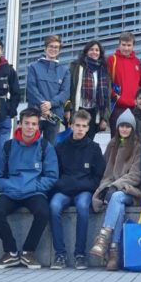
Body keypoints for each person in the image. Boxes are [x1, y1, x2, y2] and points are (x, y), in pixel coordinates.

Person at [0, 107, 58, 269]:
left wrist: (31, 187)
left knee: (43, 212)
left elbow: (51, 176)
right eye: (27, 123)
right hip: (12, 191)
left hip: (34, 192)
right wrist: (12, 188)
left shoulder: (45, 147)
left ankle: (28, 252)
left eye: (34, 124)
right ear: (19, 124)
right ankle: (11, 252)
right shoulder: (7, 146)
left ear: (38, 126)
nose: (30, 127)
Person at [49, 109, 105, 270]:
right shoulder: (60, 147)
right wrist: (65, 185)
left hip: (84, 191)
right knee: (53, 207)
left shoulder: (94, 148)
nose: (80, 129)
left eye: (84, 126)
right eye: (77, 125)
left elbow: (98, 176)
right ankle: (60, 254)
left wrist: (81, 186)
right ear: (71, 126)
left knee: (82, 207)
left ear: (88, 128)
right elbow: (54, 174)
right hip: (64, 189)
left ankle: (80, 254)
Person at [90, 109, 141, 271]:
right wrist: (106, 186)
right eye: (122, 126)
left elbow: (135, 175)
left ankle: (103, 238)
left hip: (131, 190)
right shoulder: (112, 145)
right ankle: (114, 252)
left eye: (128, 126)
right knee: (117, 202)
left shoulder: (137, 146)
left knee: (119, 196)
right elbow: (106, 172)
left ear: (132, 128)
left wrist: (116, 185)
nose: (124, 129)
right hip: (115, 192)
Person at [26, 34, 71, 143]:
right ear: (45, 48)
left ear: (59, 50)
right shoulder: (33, 67)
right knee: (30, 145)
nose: (53, 49)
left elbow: (65, 93)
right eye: (51, 46)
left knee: (50, 149)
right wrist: (43, 106)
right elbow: (32, 89)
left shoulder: (65, 70)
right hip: (35, 114)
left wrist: (50, 104)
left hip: (54, 116)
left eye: (56, 47)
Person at [69, 40, 111, 138]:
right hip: (78, 108)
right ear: (86, 51)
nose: (94, 52)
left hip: (94, 111)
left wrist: (104, 118)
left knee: (89, 141)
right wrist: (69, 111)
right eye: (91, 49)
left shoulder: (103, 69)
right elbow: (70, 89)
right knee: (76, 139)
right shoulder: (76, 66)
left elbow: (107, 96)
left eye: (97, 50)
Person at [107, 32, 141, 135]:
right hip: (118, 108)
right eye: (123, 45)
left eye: (129, 45)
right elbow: (106, 82)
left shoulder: (137, 62)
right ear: (119, 45)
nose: (126, 48)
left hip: (135, 109)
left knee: (134, 141)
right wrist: (114, 96)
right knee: (117, 140)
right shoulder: (112, 60)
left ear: (133, 46)